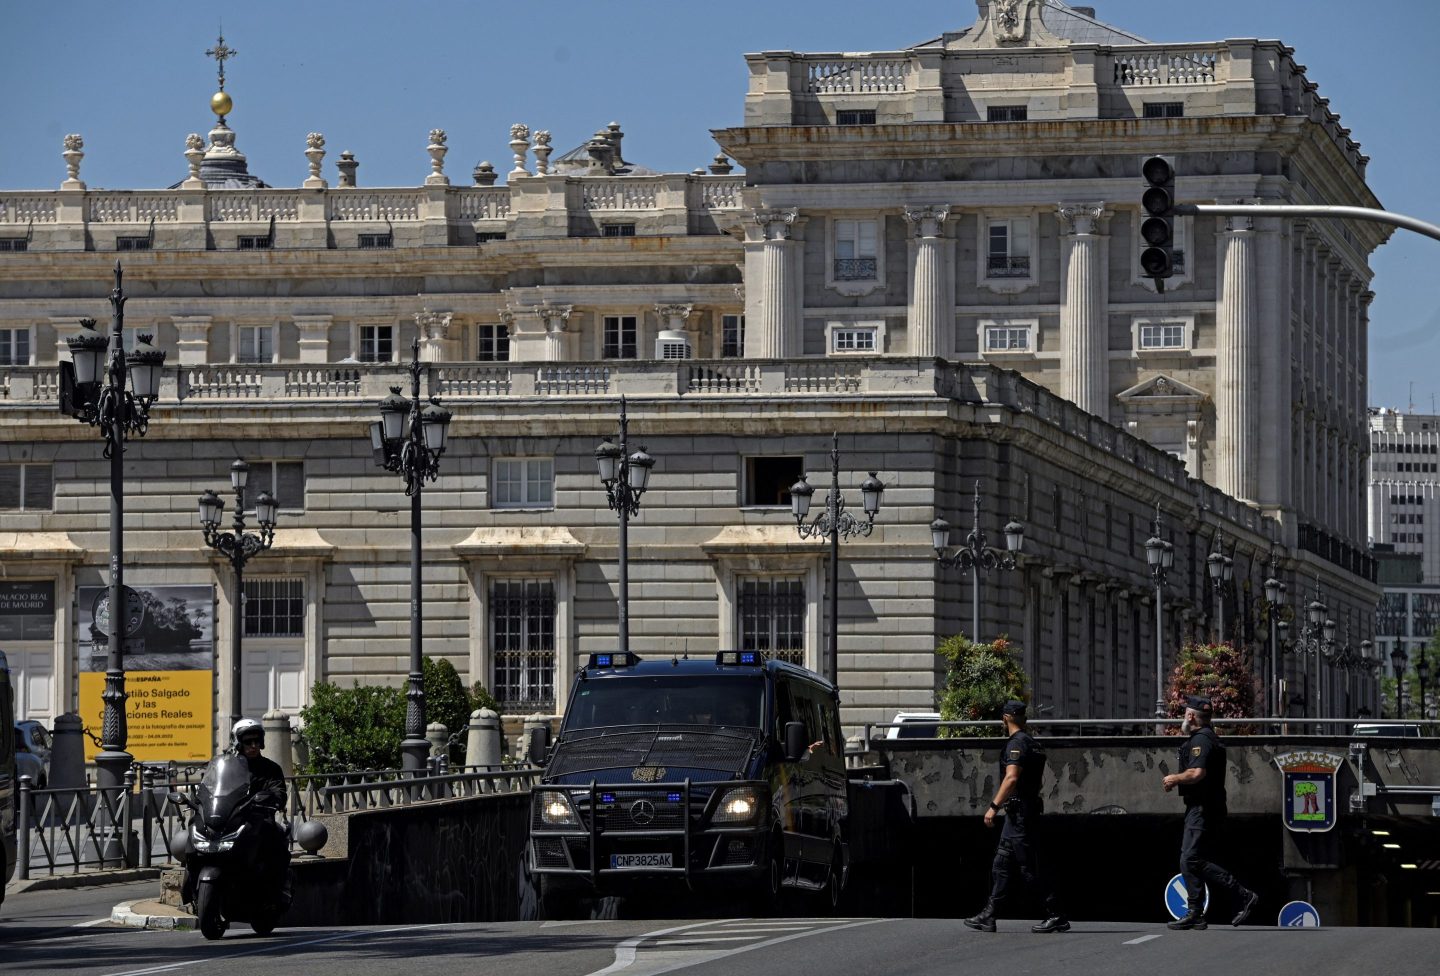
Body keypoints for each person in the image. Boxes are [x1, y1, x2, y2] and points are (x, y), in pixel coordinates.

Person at [964, 701, 1069, 934]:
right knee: (1001, 863)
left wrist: (993, 807)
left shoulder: (1017, 743)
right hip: (1019, 814)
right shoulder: (1032, 743)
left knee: (1028, 867)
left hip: (1021, 815)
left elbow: (1011, 778)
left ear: (1005, 718)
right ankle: (989, 915)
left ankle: (1056, 914)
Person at [1161, 696, 1259, 930]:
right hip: (1204, 807)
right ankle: (1196, 912)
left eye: (1185, 712)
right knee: (1193, 859)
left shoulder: (1202, 740)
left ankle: (1242, 895)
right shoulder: (1206, 737)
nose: (1183, 716)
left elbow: (1197, 773)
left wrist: (1175, 778)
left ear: (1190, 716)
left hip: (1203, 808)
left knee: (1189, 859)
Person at [231, 718, 291, 905]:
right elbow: (212, 786)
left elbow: (279, 791)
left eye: (257, 741)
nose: (253, 745)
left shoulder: (270, 768)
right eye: (248, 741)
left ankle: (277, 892)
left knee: (276, 840)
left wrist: (273, 798)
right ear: (238, 743)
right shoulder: (229, 766)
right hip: (231, 819)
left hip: (259, 820)